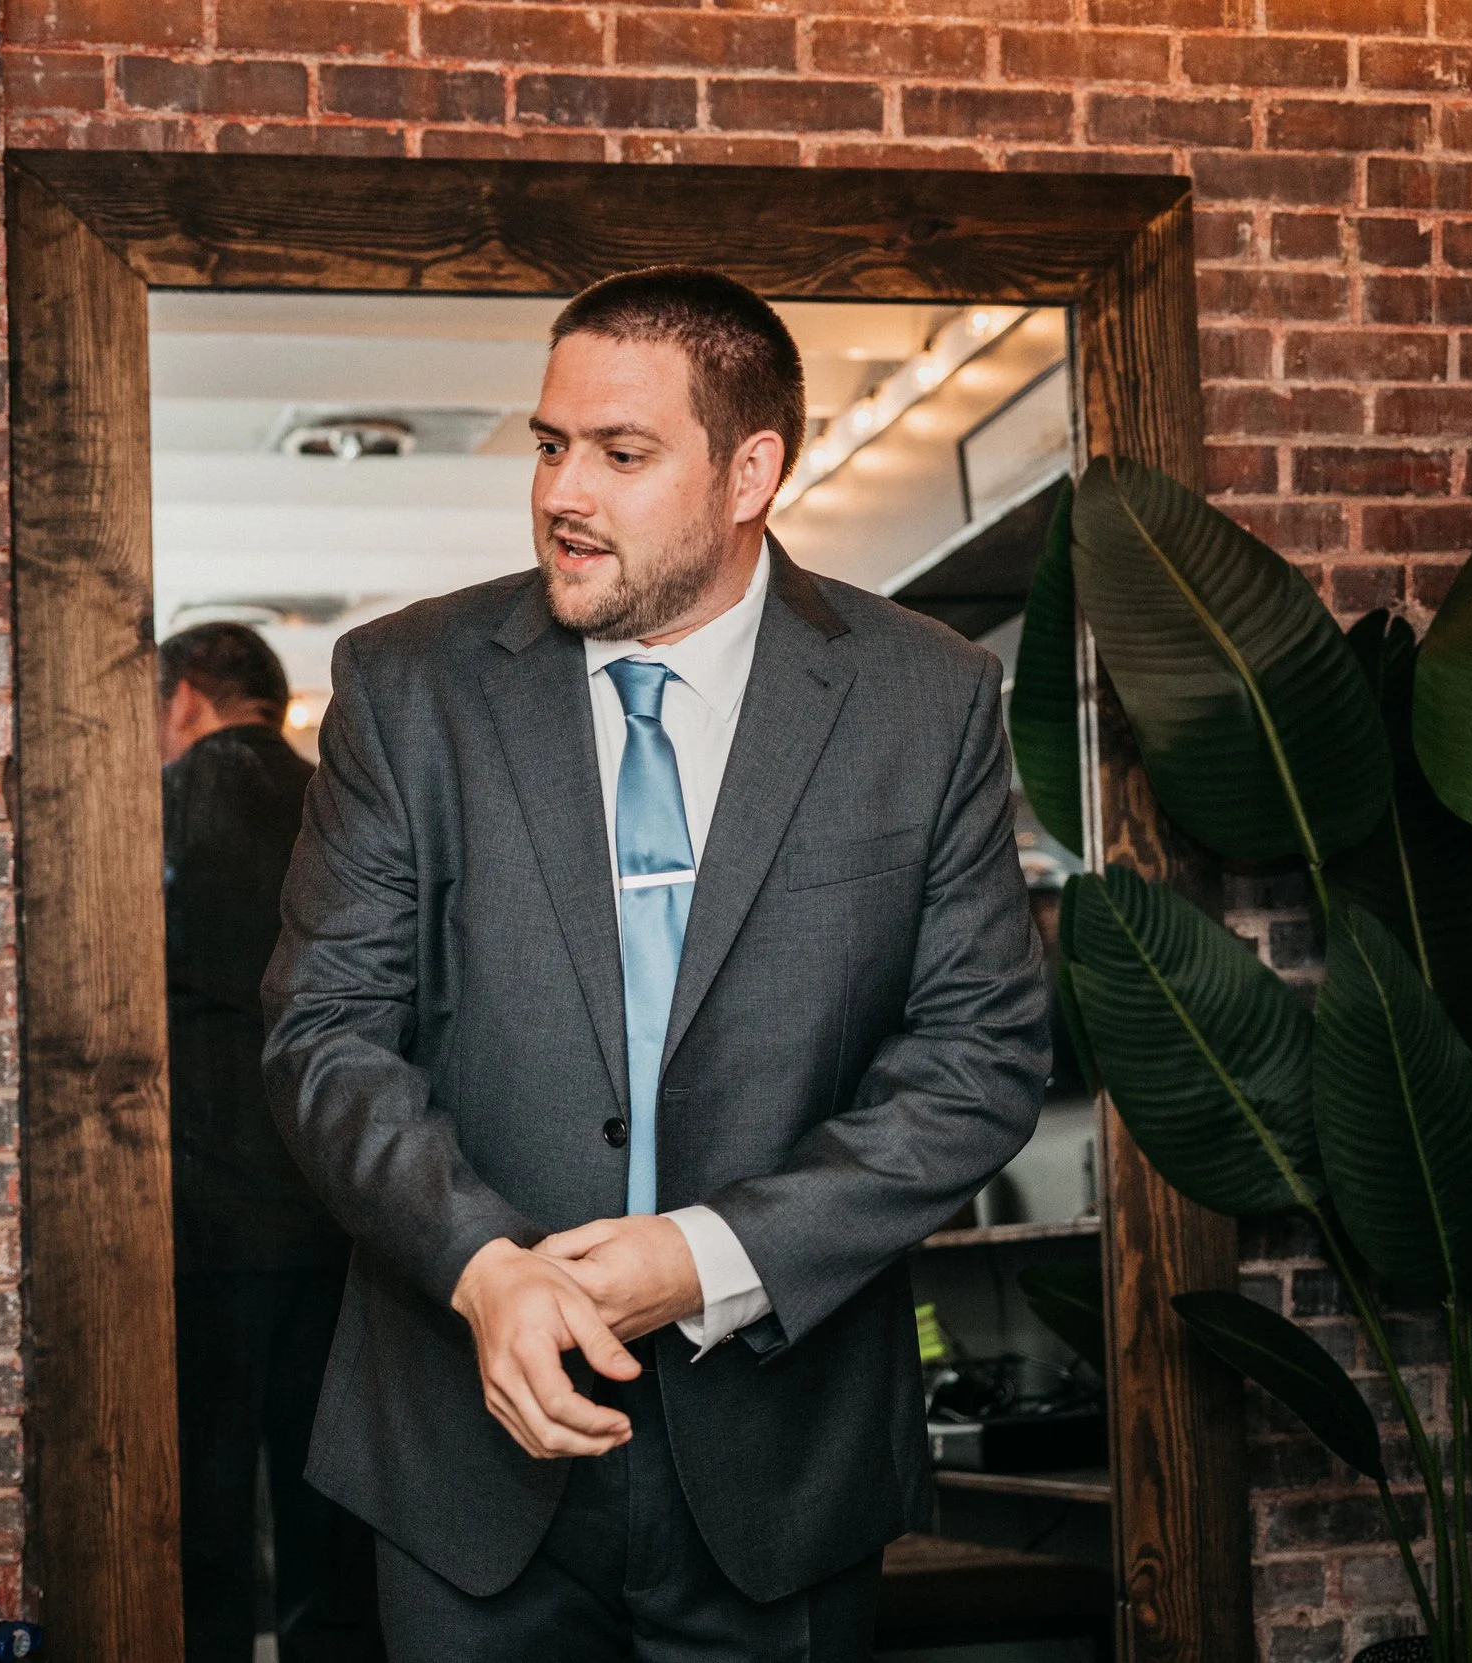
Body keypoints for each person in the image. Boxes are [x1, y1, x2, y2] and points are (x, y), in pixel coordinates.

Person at [262, 267, 1050, 1660]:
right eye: (549, 443)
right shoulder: (406, 683)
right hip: (462, 1454)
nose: (563, 492)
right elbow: (324, 1033)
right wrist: (484, 1266)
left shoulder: (925, 697)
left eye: (621, 454)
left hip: (782, 1458)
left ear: (751, 472)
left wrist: (704, 1256)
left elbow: (978, 1058)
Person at [159, 622, 379, 1663]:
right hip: (339, 1204)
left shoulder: (158, 809)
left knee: (204, 1501)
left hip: (201, 1209)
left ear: (185, 698)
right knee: (327, 1495)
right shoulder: (335, 805)